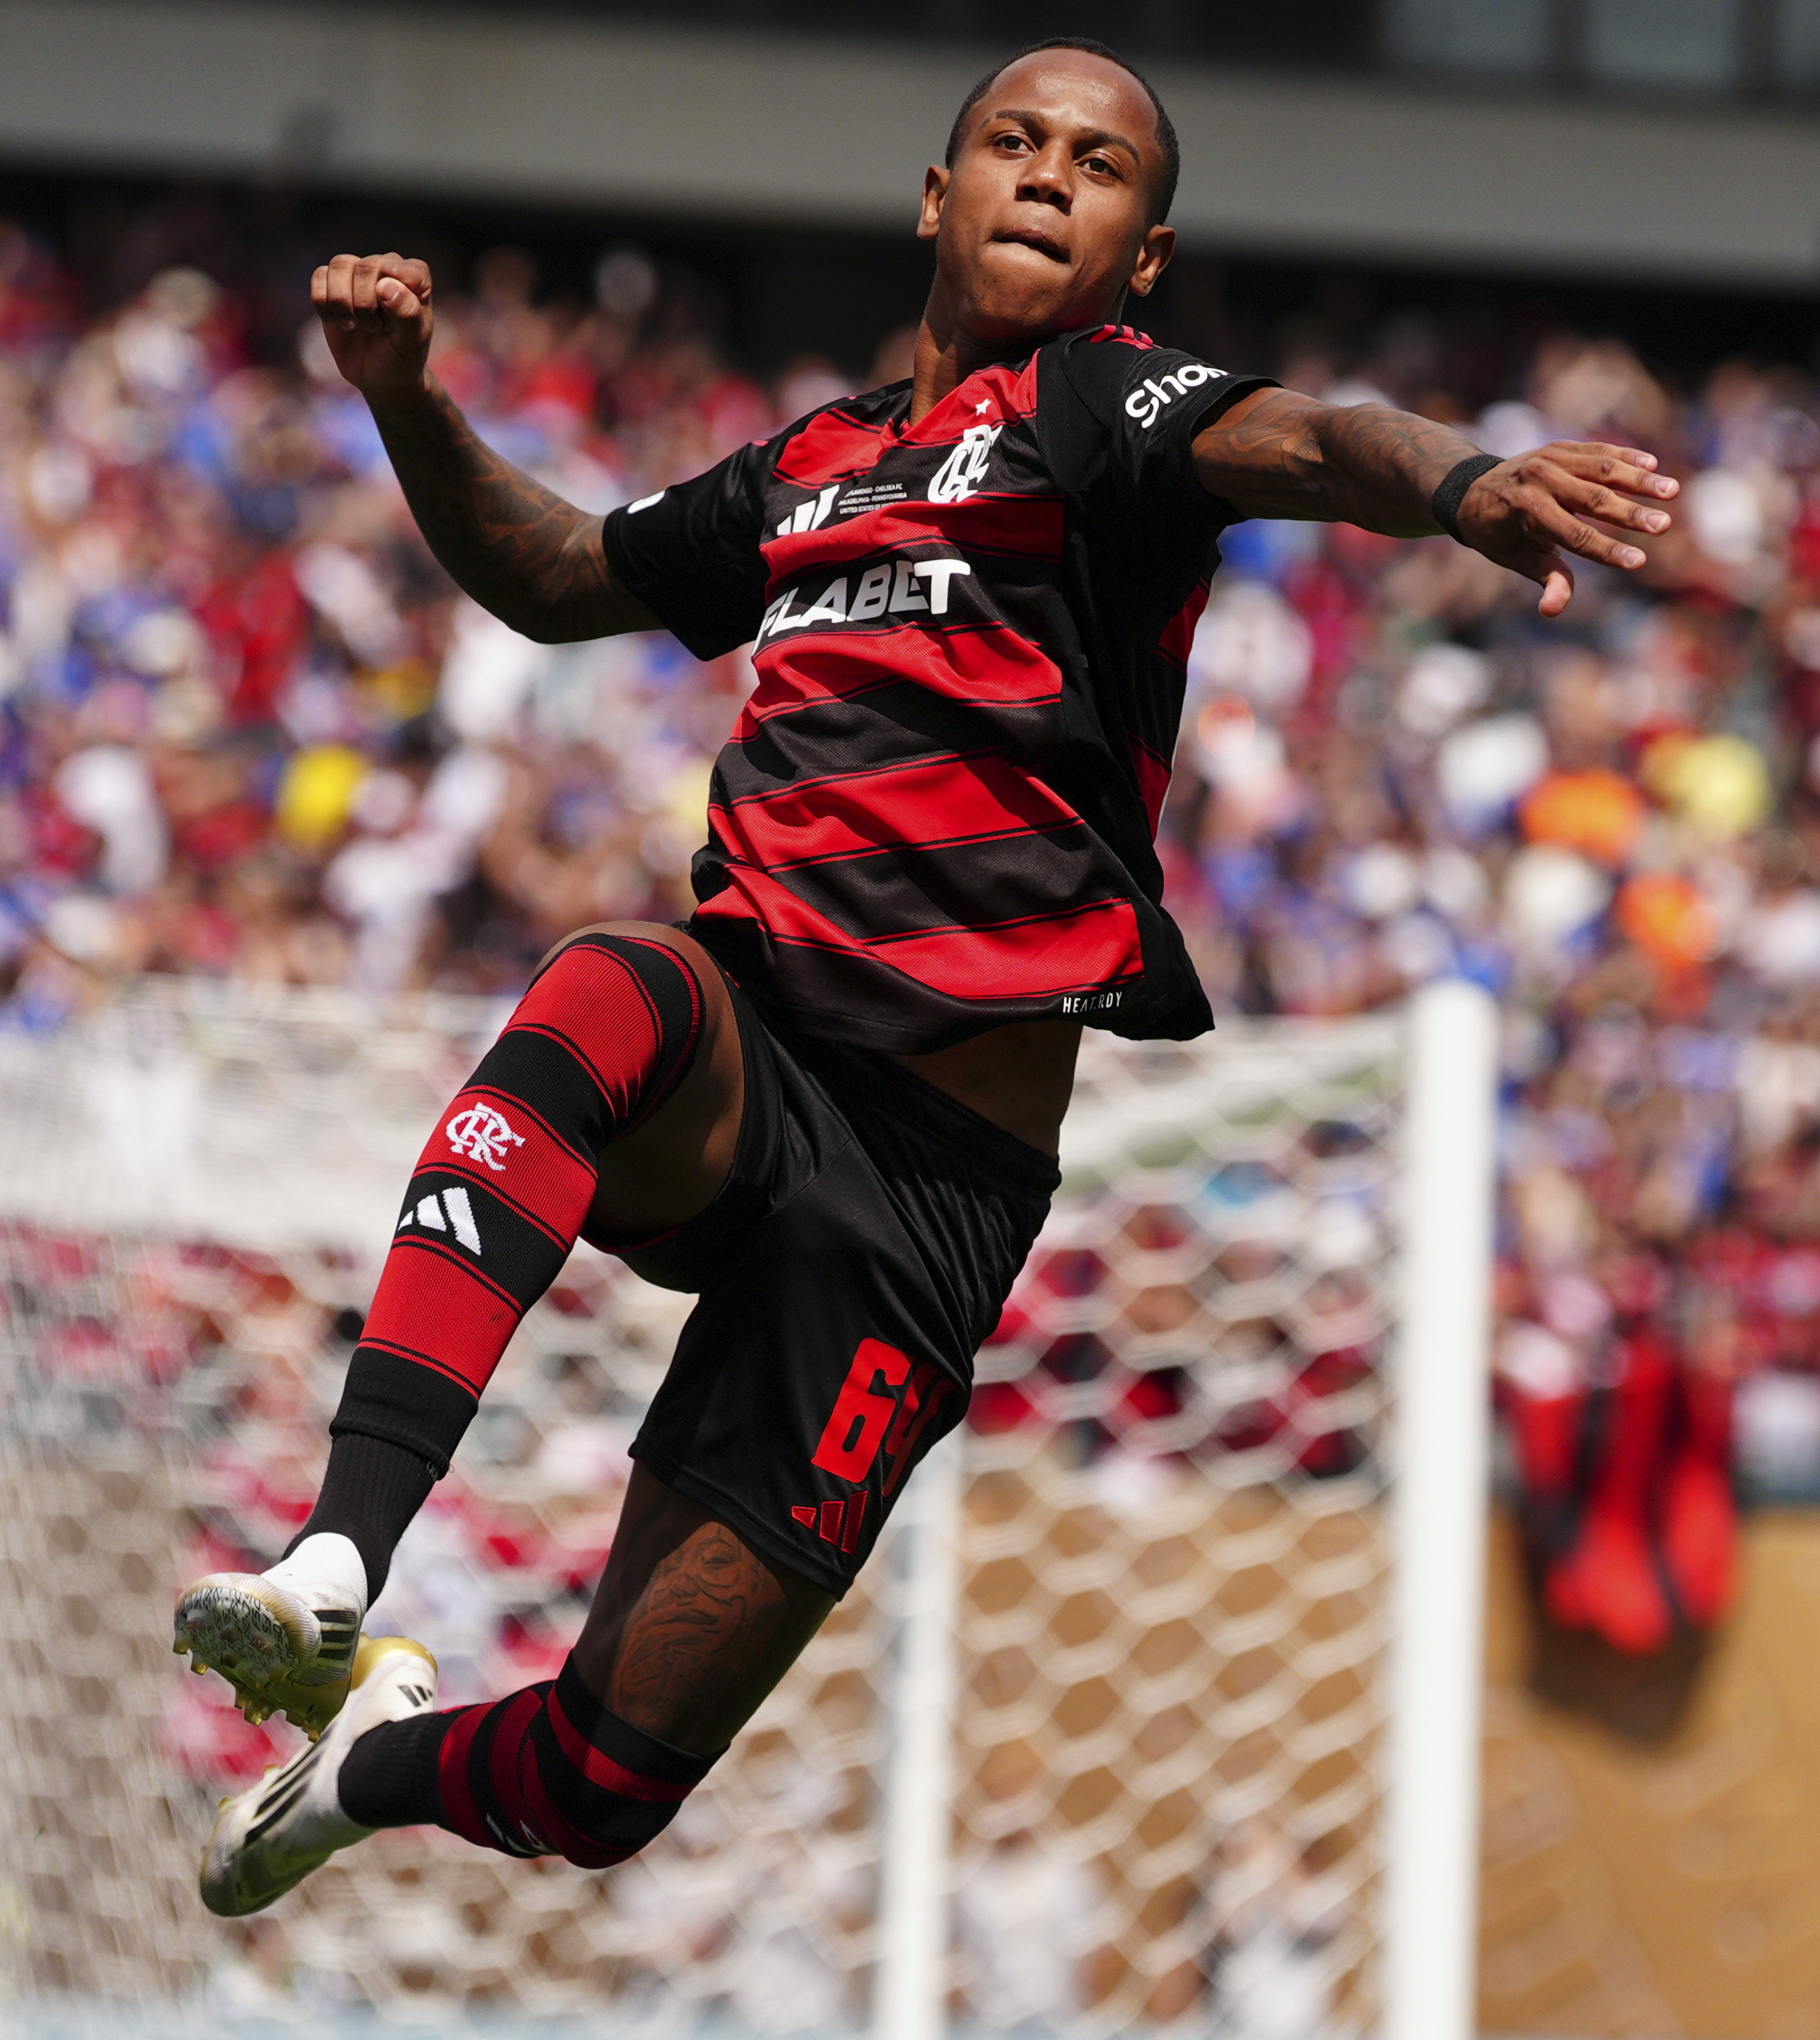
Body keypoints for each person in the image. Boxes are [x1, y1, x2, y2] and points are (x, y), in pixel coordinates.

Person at [179, 33, 1673, 1914]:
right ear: (936, 196)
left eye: (1099, 163)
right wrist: (403, 400)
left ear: (1145, 255)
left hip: (929, 1193)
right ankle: (333, 1564)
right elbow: (564, 571)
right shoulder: (814, 467)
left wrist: (1460, 486)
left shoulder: (1102, 412)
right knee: (599, 994)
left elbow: (1309, 439)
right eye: (1013, 141)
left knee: (604, 1772)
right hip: (757, 1047)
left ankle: (366, 1766)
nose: (1049, 173)